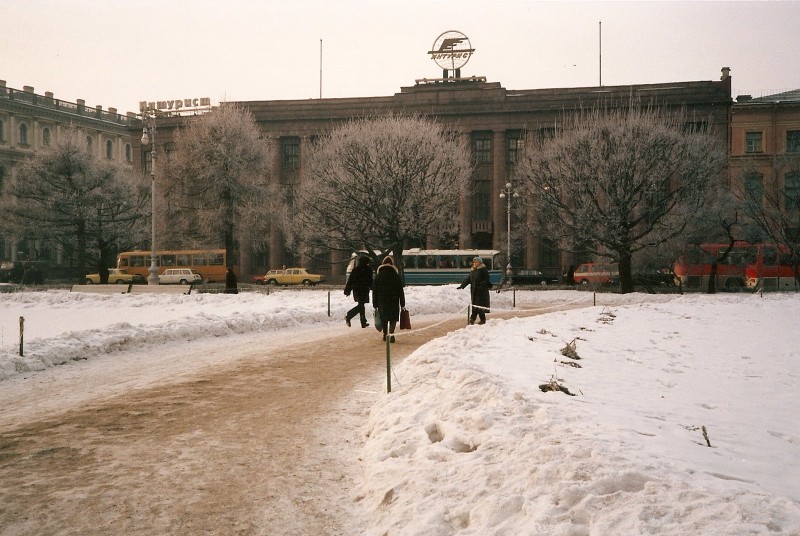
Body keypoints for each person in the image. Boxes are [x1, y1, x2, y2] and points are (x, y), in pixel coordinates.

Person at [372, 256, 405, 343]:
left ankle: (385, 334)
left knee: (384, 318)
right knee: (393, 317)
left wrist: (374, 303)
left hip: (382, 300)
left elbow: (374, 291)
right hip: (394, 300)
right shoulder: (396, 276)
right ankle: (392, 333)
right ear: (392, 264)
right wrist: (402, 303)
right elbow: (400, 290)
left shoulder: (378, 276)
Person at [458, 256, 491, 325]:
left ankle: (473, 319)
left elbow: (486, 279)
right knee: (475, 305)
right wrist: (462, 286)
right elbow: (468, 279)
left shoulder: (483, 270)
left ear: (480, 263)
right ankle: (479, 319)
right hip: (474, 291)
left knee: (479, 305)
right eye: (474, 262)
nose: (475, 263)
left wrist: (482, 286)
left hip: (481, 291)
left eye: (476, 262)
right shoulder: (473, 270)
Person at [344, 255, 372, 328]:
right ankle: (349, 316)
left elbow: (350, 281)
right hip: (364, 290)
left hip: (356, 290)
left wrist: (347, 290)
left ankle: (363, 322)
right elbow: (370, 281)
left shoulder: (355, 270)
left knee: (361, 305)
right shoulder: (368, 270)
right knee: (361, 305)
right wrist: (373, 288)